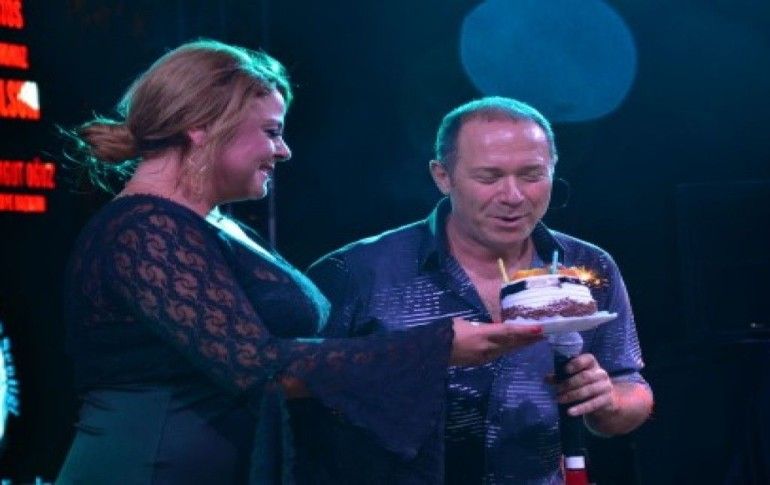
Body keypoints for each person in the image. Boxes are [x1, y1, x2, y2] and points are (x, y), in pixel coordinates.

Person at [55, 43, 544, 484]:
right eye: (271, 132)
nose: (283, 151)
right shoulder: (145, 228)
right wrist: (434, 347)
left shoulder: (214, 224)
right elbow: (256, 367)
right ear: (201, 128)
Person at [305, 96, 654, 483]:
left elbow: (631, 385)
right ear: (442, 176)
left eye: (532, 175)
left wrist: (609, 401)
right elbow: (290, 390)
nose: (513, 196)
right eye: (489, 178)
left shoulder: (588, 265)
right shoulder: (357, 273)